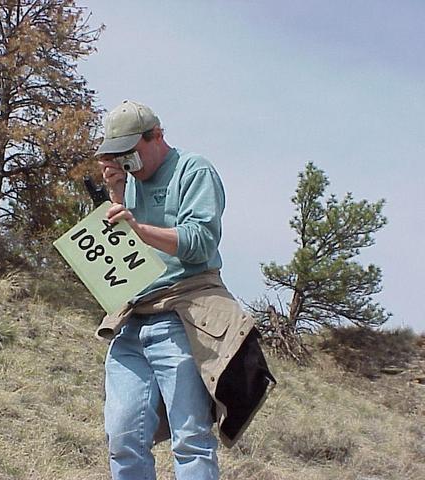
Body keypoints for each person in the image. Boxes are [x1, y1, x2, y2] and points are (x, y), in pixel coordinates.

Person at [96, 100, 275, 480]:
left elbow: (200, 242)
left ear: (157, 136)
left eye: (130, 151)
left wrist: (138, 228)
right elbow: (121, 256)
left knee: (190, 439)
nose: (125, 161)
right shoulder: (125, 188)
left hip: (183, 315)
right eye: (115, 154)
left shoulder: (193, 170)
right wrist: (115, 196)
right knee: (123, 437)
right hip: (132, 322)